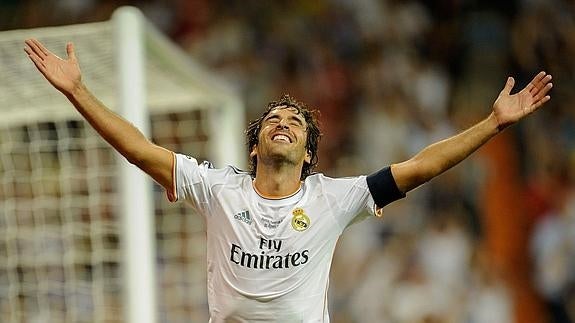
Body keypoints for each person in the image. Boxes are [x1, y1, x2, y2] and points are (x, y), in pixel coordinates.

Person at [23, 38, 553, 322]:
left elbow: (420, 166)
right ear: (255, 146)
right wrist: (77, 92)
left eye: (296, 122)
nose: (284, 122)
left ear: (307, 154)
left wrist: (492, 124)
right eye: (275, 118)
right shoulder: (218, 188)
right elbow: (138, 149)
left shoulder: (334, 197)